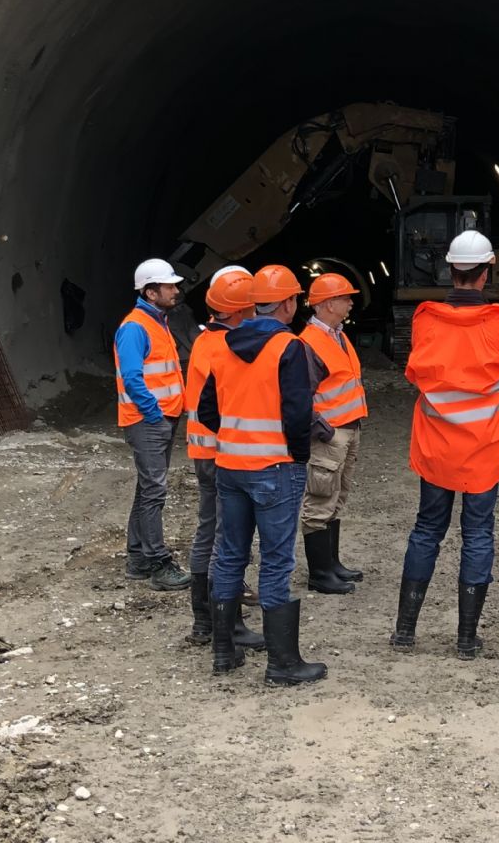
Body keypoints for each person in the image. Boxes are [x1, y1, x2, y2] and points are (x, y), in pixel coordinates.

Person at [390, 230, 499, 659]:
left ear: (450, 270)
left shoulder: (426, 318)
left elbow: (415, 374)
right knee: (478, 534)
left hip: (437, 449)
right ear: (487, 273)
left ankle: (405, 633)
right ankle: (466, 640)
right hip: (483, 449)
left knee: (427, 530)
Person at [207, 263, 325, 684]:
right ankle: (282, 663)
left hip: (230, 467)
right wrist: (297, 455)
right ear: (290, 302)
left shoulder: (222, 346)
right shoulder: (288, 348)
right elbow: (297, 412)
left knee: (230, 555)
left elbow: (207, 410)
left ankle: (224, 651)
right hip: (275, 467)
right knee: (275, 562)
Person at [180, 265, 254, 644]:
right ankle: (227, 624)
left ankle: (203, 621)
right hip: (221, 453)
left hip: (202, 450)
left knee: (208, 530)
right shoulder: (226, 346)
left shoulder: (204, 340)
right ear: (240, 311)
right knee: (227, 538)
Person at [114, 258, 190, 591]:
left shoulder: (156, 322)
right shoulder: (135, 327)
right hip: (149, 421)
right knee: (154, 492)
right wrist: (155, 413)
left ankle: (138, 559)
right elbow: (132, 377)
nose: (176, 290)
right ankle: (159, 564)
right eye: (169, 286)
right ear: (150, 291)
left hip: (159, 418)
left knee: (147, 489)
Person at [300, 271, 369, 594]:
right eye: (345, 297)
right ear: (328, 304)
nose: (351, 302)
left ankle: (331, 564)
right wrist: (322, 430)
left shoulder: (336, 335)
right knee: (320, 500)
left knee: (336, 496)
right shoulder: (311, 343)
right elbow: (300, 396)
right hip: (331, 435)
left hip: (347, 429)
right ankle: (320, 574)